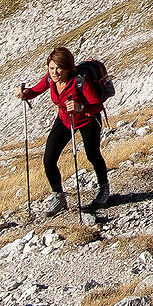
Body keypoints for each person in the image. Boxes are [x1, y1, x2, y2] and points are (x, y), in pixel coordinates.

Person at [18, 45, 111, 214]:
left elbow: (97, 105)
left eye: (59, 68)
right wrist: (25, 93)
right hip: (64, 119)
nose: (54, 72)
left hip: (88, 120)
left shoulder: (80, 81)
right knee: (49, 159)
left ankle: (103, 187)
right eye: (51, 68)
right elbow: (35, 90)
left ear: (68, 68)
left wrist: (80, 106)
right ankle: (58, 196)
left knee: (92, 154)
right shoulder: (50, 80)